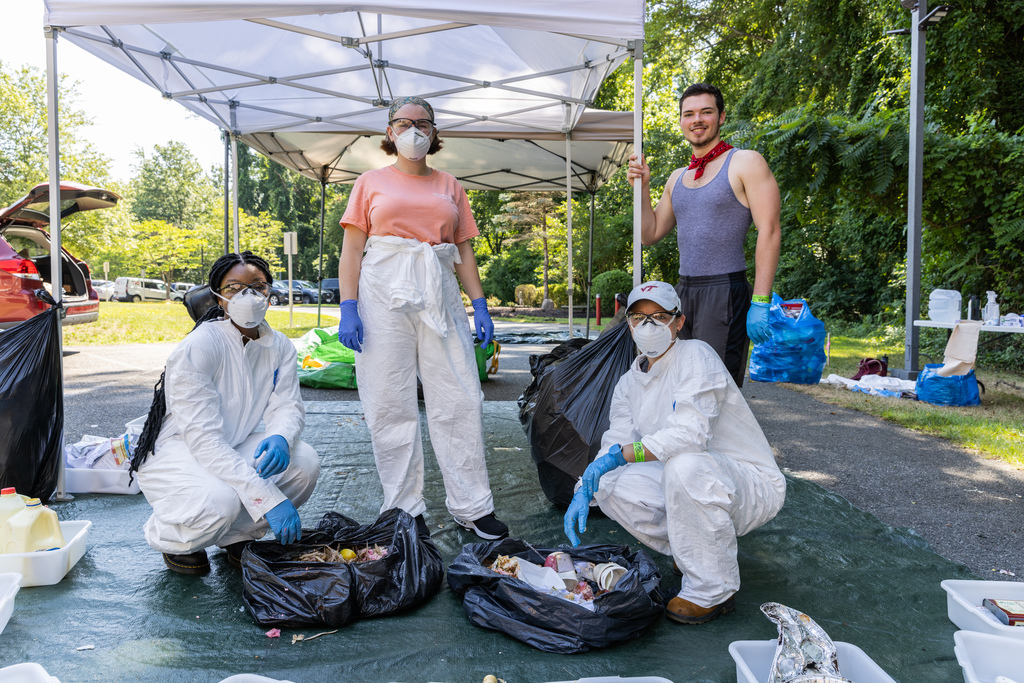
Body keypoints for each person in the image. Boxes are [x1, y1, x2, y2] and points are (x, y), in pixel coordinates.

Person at [335, 95, 509, 541]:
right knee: (389, 401)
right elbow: (352, 249)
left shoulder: (450, 184)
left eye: (423, 123)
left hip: (438, 288)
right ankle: (404, 508)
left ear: (434, 132)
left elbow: (463, 248)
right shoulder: (369, 183)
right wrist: (348, 306)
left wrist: (480, 304)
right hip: (382, 290)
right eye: (403, 122)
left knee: (459, 397)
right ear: (389, 131)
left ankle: (472, 506)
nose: (413, 130)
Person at [564, 281, 785, 624]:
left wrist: (620, 455)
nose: (648, 325)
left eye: (660, 316)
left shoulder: (696, 355)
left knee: (684, 464)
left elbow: (690, 435)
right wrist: (584, 487)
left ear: (678, 322)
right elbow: (615, 442)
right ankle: (692, 552)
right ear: (629, 325)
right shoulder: (628, 384)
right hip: (690, 477)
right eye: (639, 317)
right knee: (609, 486)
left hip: (746, 482)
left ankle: (713, 590)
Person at [129, 252, 321, 575]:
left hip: (231, 443)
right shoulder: (200, 346)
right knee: (220, 501)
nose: (247, 295)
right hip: (179, 451)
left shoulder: (280, 346)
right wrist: (267, 498)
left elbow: (287, 405)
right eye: (234, 287)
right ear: (219, 298)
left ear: (269, 293)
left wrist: (281, 436)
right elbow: (204, 441)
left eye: (257, 286)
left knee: (304, 463)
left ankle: (236, 535)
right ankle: (172, 537)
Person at [626, 82, 781, 387]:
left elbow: (770, 230)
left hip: (724, 292)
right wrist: (642, 188)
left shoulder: (746, 162)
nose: (697, 119)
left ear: (721, 117)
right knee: (678, 384)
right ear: (681, 121)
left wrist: (761, 300)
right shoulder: (677, 178)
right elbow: (649, 234)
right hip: (683, 294)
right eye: (689, 114)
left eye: (706, 112)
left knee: (712, 388)